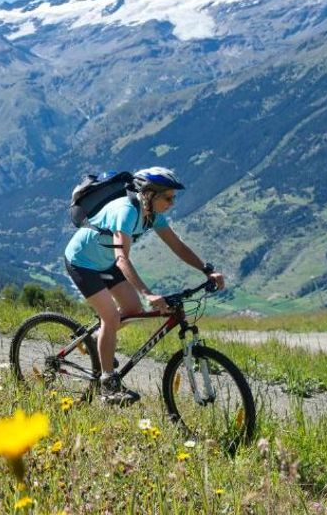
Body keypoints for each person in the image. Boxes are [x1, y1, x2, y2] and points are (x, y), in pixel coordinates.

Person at [63, 167, 225, 405]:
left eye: (173, 197)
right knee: (110, 316)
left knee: (131, 309)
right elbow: (122, 259)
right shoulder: (126, 211)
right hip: (82, 261)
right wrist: (148, 293)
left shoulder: (153, 215)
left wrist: (207, 270)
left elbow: (178, 247)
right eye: (168, 197)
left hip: (106, 262)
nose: (172, 203)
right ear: (149, 195)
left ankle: (96, 340)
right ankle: (108, 385)